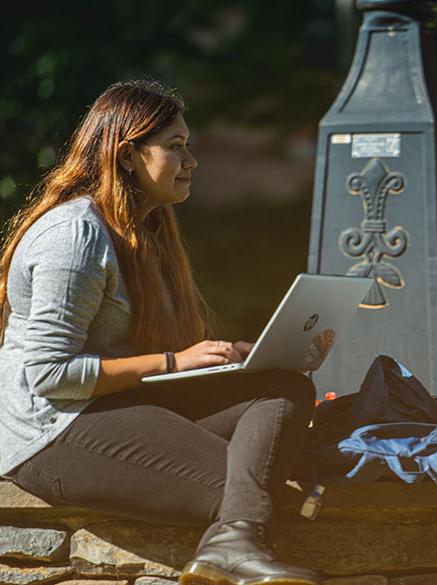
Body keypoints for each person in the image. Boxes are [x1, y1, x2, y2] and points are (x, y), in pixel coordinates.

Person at [0, 80, 321, 585]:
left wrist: (229, 359)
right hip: (52, 430)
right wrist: (174, 362)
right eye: (175, 147)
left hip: (116, 406)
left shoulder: (146, 232)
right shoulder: (75, 236)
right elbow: (49, 375)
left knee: (282, 384)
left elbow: (136, 357)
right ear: (127, 156)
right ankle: (235, 541)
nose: (191, 160)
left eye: (187, 145)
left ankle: (231, 543)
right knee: (262, 493)